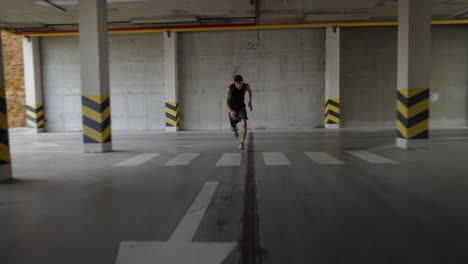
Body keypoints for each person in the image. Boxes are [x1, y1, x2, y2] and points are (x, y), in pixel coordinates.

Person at [226, 75, 252, 150]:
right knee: (233, 128)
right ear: (234, 83)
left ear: (242, 82)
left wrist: (250, 102)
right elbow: (227, 102)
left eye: (240, 83)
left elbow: (250, 91)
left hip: (241, 108)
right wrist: (231, 111)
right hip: (233, 110)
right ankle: (235, 130)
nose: (239, 85)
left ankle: (242, 143)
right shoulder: (230, 88)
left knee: (244, 122)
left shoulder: (246, 86)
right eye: (237, 84)